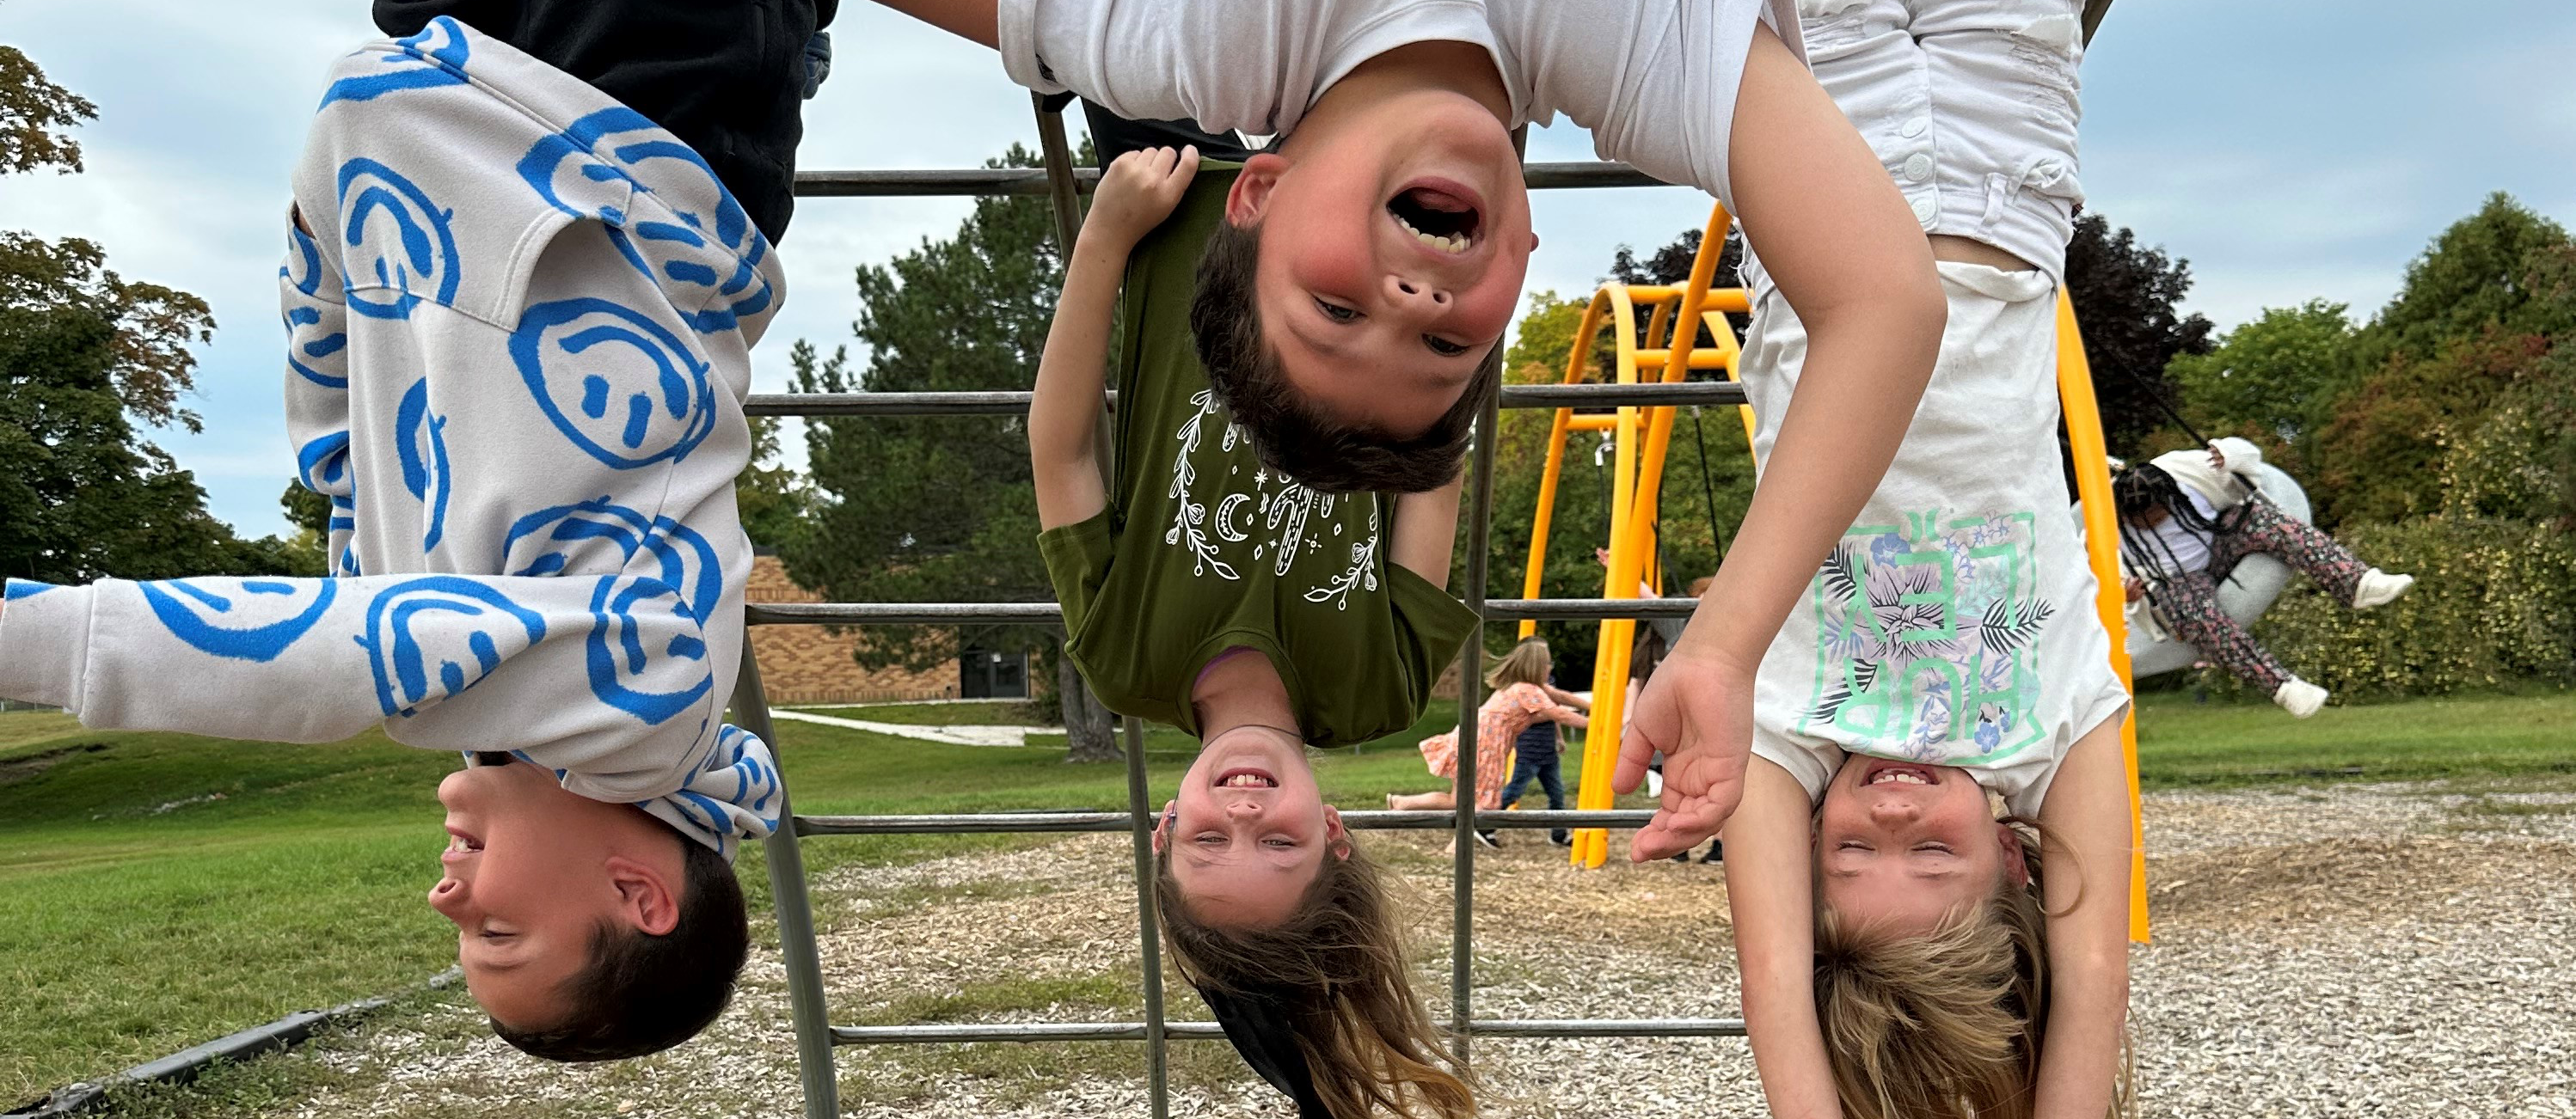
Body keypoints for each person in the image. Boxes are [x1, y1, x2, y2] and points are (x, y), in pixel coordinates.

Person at [0, 6, 833, 1061]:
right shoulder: (640, 707)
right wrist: (26, 644)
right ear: (640, 894)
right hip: (628, 117)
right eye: (496, 930)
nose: (445, 897)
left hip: (464, 100)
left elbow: (350, 448)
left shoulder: (493, 707)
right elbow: (325, 654)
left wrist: (326, 233)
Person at [1613, 3, 2136, 1116]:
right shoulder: (2052, 725)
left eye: (1851, 862)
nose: (1890, 825)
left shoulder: (1786, 725)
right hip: (2008, 167)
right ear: (2017, 865)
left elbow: (1772, 986)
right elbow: (2090, 983)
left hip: (1829, 167)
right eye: (1933, 863)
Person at [1030, 145, 1477, 1119]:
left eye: (1205, 844)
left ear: (1162, 829)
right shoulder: (1381, 687)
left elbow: (1061, 451)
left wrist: (1103, 236)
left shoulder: (1120, 658)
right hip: (1363, 208)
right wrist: (1452, 299)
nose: (1239, 810)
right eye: (1275, 846)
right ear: (1331, 833)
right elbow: (1432, 476)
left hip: (1185, 198)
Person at [2115, 437, 2413, 718]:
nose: (2149, 523)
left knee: (2262, 518)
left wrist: (2229, 455)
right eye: (2139, 521)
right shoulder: (2106, 528)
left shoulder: (2182, 470)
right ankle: (2284, 688)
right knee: (2190, 610)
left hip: (2221, 542)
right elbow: (2103, 581)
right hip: (2176, 582)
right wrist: (2125, 596)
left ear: (2170, 497)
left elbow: (2248, 458)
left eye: (2156, 516)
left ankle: (2358, 583)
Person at [1388, 639, 1591, 850]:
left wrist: (1591, 705)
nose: (1550, 668)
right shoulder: (1527, 690)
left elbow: (1560, 696)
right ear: (1535, 666)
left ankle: (1403, 803)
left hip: (1472, 736)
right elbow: (1558, 713)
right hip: (1485, 745)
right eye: (1547, 664)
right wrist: (1595, 723)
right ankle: (1456, 849)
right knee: (1482, 803)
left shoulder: (1523, 687)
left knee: (1457, 800)